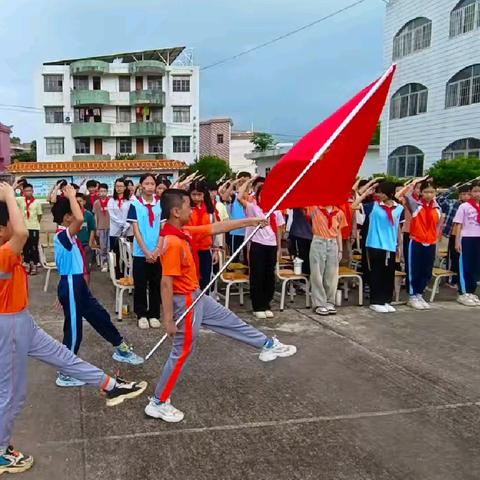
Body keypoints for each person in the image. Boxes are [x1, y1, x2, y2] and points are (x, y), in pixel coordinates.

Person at [0, 182, 147, 475]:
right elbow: (20, 232)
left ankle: (110, 386)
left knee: (64, 357)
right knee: (11, 395)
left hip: (21, 320)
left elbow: (15, 233)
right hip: (9, 327)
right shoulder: (3, 252)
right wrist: (8, 195)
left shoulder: (5, 250)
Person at [144, 189, 297, 423]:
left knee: (229, 320)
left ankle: (267, 344)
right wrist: (168, 319)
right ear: (176, 211)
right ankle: (158, 402)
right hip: (184, 300)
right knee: (181, 351)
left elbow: (215, 228)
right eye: (187, 206)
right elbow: (166, 282)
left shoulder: (181, 231)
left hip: (196, 295)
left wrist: (252, 221)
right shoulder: (173, 241)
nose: (191, 209)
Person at [53, 185, 144, 387]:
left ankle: (121, 348)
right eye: (75, 208)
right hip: (71, 284)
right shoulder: (62, 234)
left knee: (99, 315)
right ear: (67, 217)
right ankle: (65, 372)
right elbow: (80, 219)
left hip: (76, 285)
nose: (80, 211)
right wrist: (69, 196)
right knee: (74, 330)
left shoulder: (68, 235)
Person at [238, 179, 285, 319]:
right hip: (257, 244)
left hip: (272, 246)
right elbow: (240, 197)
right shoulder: (254, 208)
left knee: (269, 276)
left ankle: (266, 304)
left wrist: (279, 248)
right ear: (257, 196)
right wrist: (249, 181)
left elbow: (280, 230)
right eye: (261, 194)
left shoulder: (276, 210)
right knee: (257, 275)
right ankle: (257, 305)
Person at [361, 182, 404, 313]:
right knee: (376, 272)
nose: (378, 194)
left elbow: (397, 227)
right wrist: (365, 193)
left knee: (388, 273)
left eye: (381, 192)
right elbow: (354, 206)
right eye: (377, 192)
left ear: (389, 193)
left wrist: (399, 244)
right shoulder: (373, 206)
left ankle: (386, 300)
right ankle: (375, 300)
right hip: (375, 244)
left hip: (390, 245)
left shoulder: (399, 208)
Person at [127, 173, 162, 330]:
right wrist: (147, 251)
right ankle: (141, 314)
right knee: (140, 284)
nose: (149, 186)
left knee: (156, 284)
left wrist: (156, 250)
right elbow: (136, 230)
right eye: (146, 183)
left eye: (152, 184)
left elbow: (163, 229)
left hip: (157, 252)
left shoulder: (161, 204)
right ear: (141, 185)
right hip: (140, 252)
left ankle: (154, 314)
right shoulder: (135, 205)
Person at [404, 180, 443, 310]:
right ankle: (412, 295)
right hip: (416, 241)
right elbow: (407, 196)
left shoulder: (437, 208)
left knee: (426, 270)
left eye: (431, 192)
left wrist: (435, 239)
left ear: (435, 193)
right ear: (420, 192)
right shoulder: (416, 205)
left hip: (430, 242)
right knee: (414, 269)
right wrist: (413, 184)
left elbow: (437, 226)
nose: (428, 194)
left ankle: (420, 293)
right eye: (426, 192)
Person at [307, 203, 346, 315]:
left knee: (332, 274)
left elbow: (339, 231)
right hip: (319, 240)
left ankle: (330, 301)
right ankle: (319, 303)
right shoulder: (314, 208)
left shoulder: (339, 212)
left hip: (332, 242)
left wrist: (340, 250)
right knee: (317, 273)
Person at [437, 184, 471, 288]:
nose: (466, 196)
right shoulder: (452, 203)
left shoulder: (473, 206)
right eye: (463, 194)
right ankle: (451, 280)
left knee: (465, 259)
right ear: (459, 195)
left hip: (467, 235)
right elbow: (440, 199)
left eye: (468, 194)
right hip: (451, 235)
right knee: (453, 258)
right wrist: (451, 189)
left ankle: (462, 279)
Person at [452, 180, 480, 307]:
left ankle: (471, 291)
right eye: (475, 191)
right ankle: (463, 292)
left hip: (478, 238)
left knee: (475, 266)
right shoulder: (464, 206)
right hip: (467, 238)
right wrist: (457, 241)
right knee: (465, 265)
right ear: (470, 192)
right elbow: (458, 224)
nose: (478, 194)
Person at [187, 180, 218, 292]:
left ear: (204, 194)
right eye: (193, 194)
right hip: (190, 250)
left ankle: (204, 305)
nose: (196, 197)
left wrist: (215, 250)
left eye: (199, 194)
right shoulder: (187, 210)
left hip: (205, 250)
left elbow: (214, 230)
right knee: (191, 280)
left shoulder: (210, 211)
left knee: (205, 280)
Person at [108, 178, 133, 279]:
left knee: (128, 254)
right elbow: (112, 215)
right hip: (115, 231)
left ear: (125, 187)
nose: (118, 188)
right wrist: (123, 224)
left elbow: (132, 214)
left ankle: (129, 275)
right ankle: (117, 275)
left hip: (129, 231)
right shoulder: (111, 200)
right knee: (116, 254)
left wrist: (127, 224)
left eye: (121, 186)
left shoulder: (130, 200)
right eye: (117, 186)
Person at [16, 183, 42, 275]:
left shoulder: (37, 202)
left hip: (34, 227)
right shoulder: (20, 200)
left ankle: (34, 264)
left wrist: (35, 223)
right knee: (25, 247)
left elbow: (39, 215)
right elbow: (10, 196)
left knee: (34, 247)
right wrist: (16, 186)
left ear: (33, 191)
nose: (28, 192)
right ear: (23, 192)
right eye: (26, 191)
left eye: (30, 190)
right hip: (23, 228)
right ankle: (27, 264)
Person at [76, 193, 96, 286]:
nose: (78, 203)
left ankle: (86, 290)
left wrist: (90, 244)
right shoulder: (71, 215)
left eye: (80, 201)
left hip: (85, 245)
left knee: (86, 270)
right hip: (74, 246)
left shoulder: (88, 215)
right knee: (76, 269)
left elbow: (92, 229)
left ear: (84, 202)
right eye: (76, 201)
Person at [288, 208, 313, 276]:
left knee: (311, 262)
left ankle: (308, 281)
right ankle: (299, 282)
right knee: (299, 261)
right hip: (298, 234)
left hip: (313, 235)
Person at [92, 183, 110, 272]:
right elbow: (95, 216)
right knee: (103, 247)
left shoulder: (111, 201)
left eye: (104, 191)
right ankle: (104, 263)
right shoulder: (96, 203)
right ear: (98, 192)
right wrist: (96, 228)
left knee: (109, 247)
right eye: (101, 191)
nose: (102, 193)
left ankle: (111, 263)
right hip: (101, 227)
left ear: (107, 192)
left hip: (111, 227)